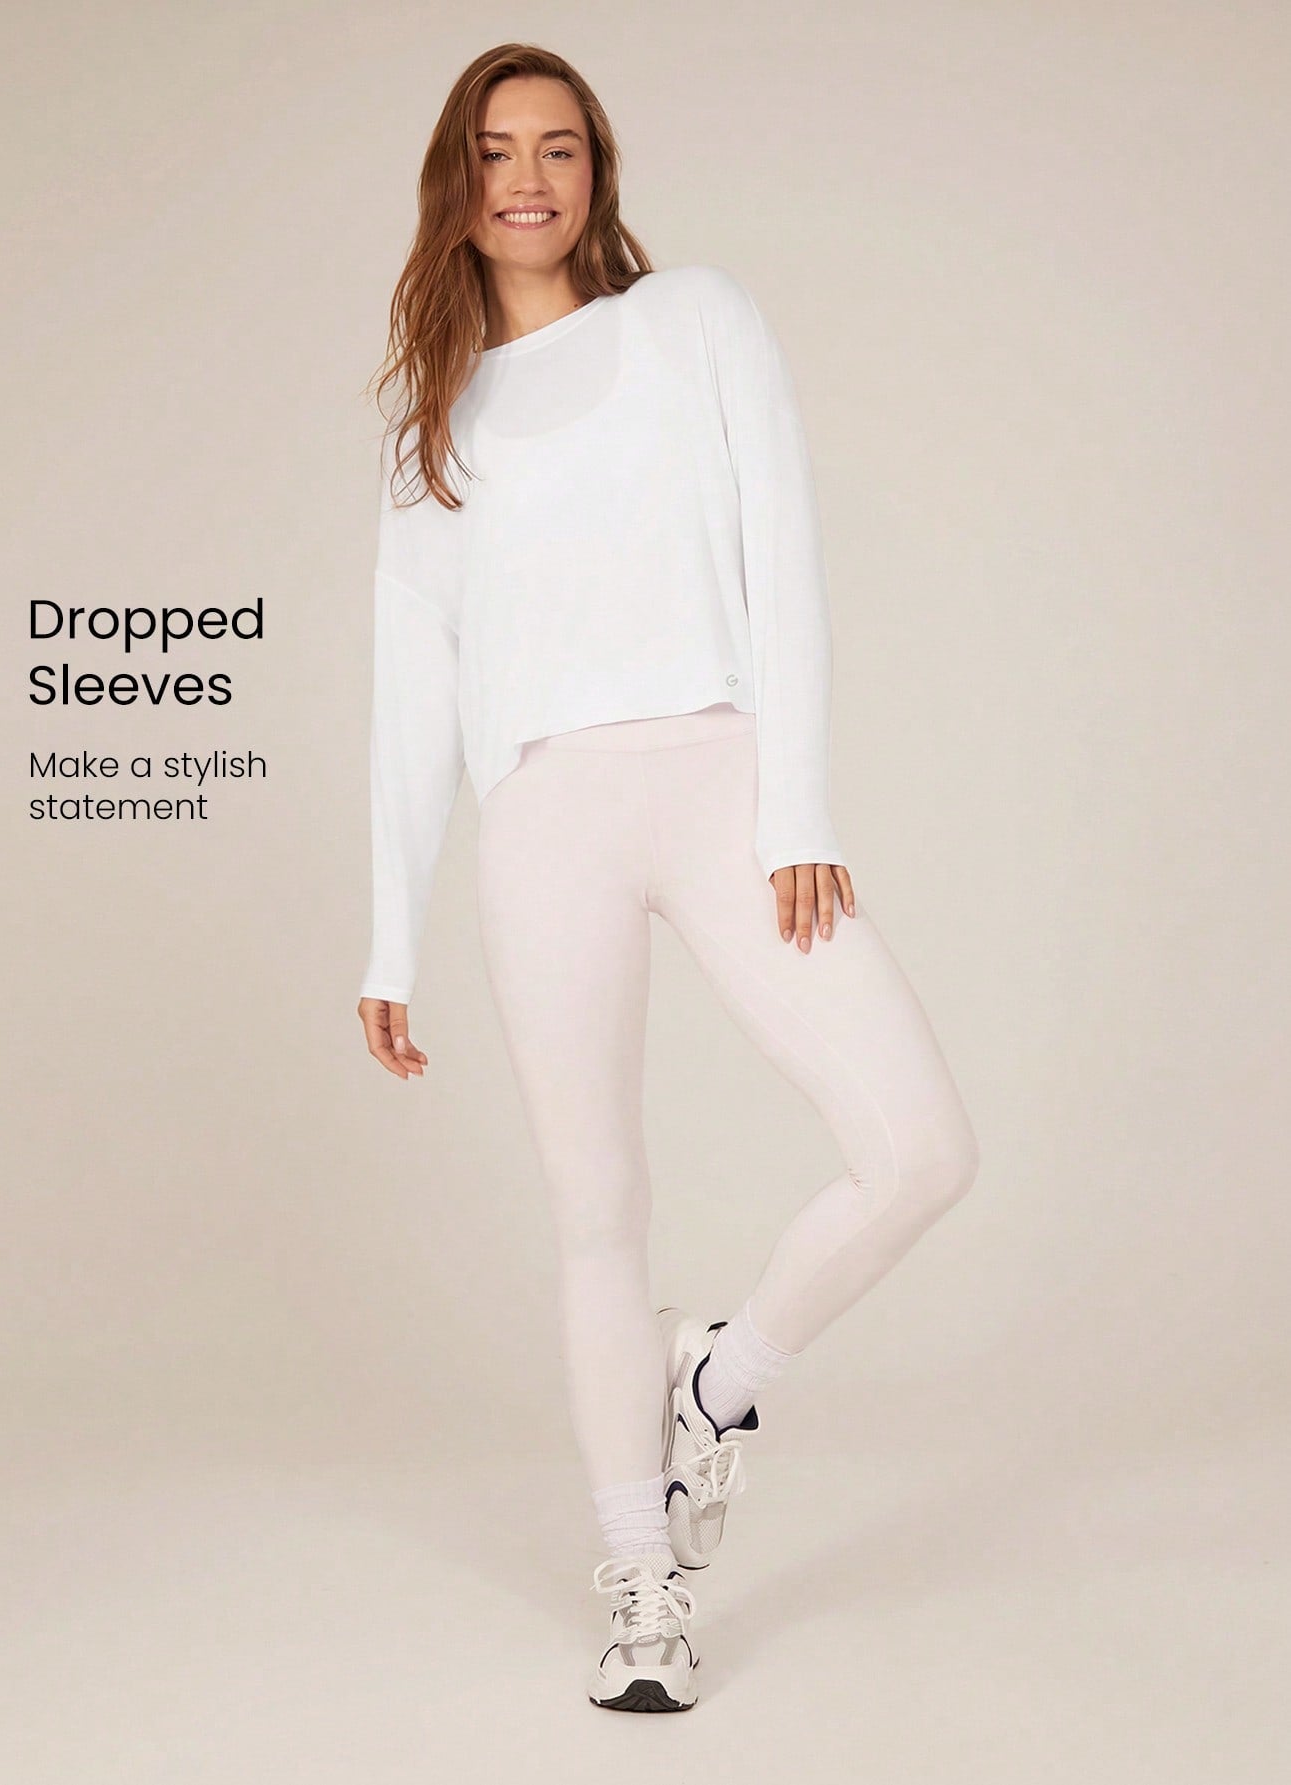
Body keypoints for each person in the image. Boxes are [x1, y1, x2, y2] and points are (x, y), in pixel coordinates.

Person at [356, 43, 980, 1714]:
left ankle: (721, 1379)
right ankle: (640, 1583)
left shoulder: (695, 319)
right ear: (458, 183)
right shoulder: (436, 430)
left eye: (559, 148)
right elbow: (412, 695)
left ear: (598, 171)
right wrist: (387, 936)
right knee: (597, 1211)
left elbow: (785, 549)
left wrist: (800, 810)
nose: (529, 179)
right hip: (543, 815)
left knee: (921, 1147)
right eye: (498, 151)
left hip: (719, 777)